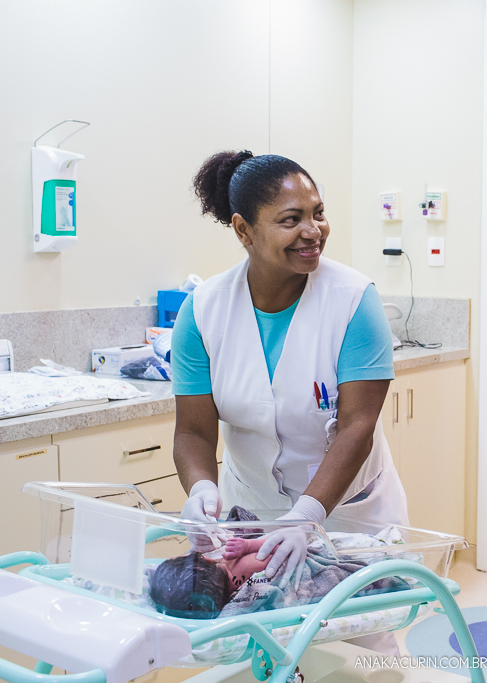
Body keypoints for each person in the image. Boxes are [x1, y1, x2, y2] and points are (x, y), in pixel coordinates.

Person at [171, 150, 408, 654]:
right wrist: (200, 489)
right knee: (262, 648)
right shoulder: (203, 311)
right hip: (251, 515)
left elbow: (357, 428)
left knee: (359, 648)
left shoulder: (353, 300)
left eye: (318, 213)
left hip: (346, 517)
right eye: (291, 219)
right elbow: (192, 431)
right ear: (243, 230)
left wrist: (306, 516)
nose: (312, 231)